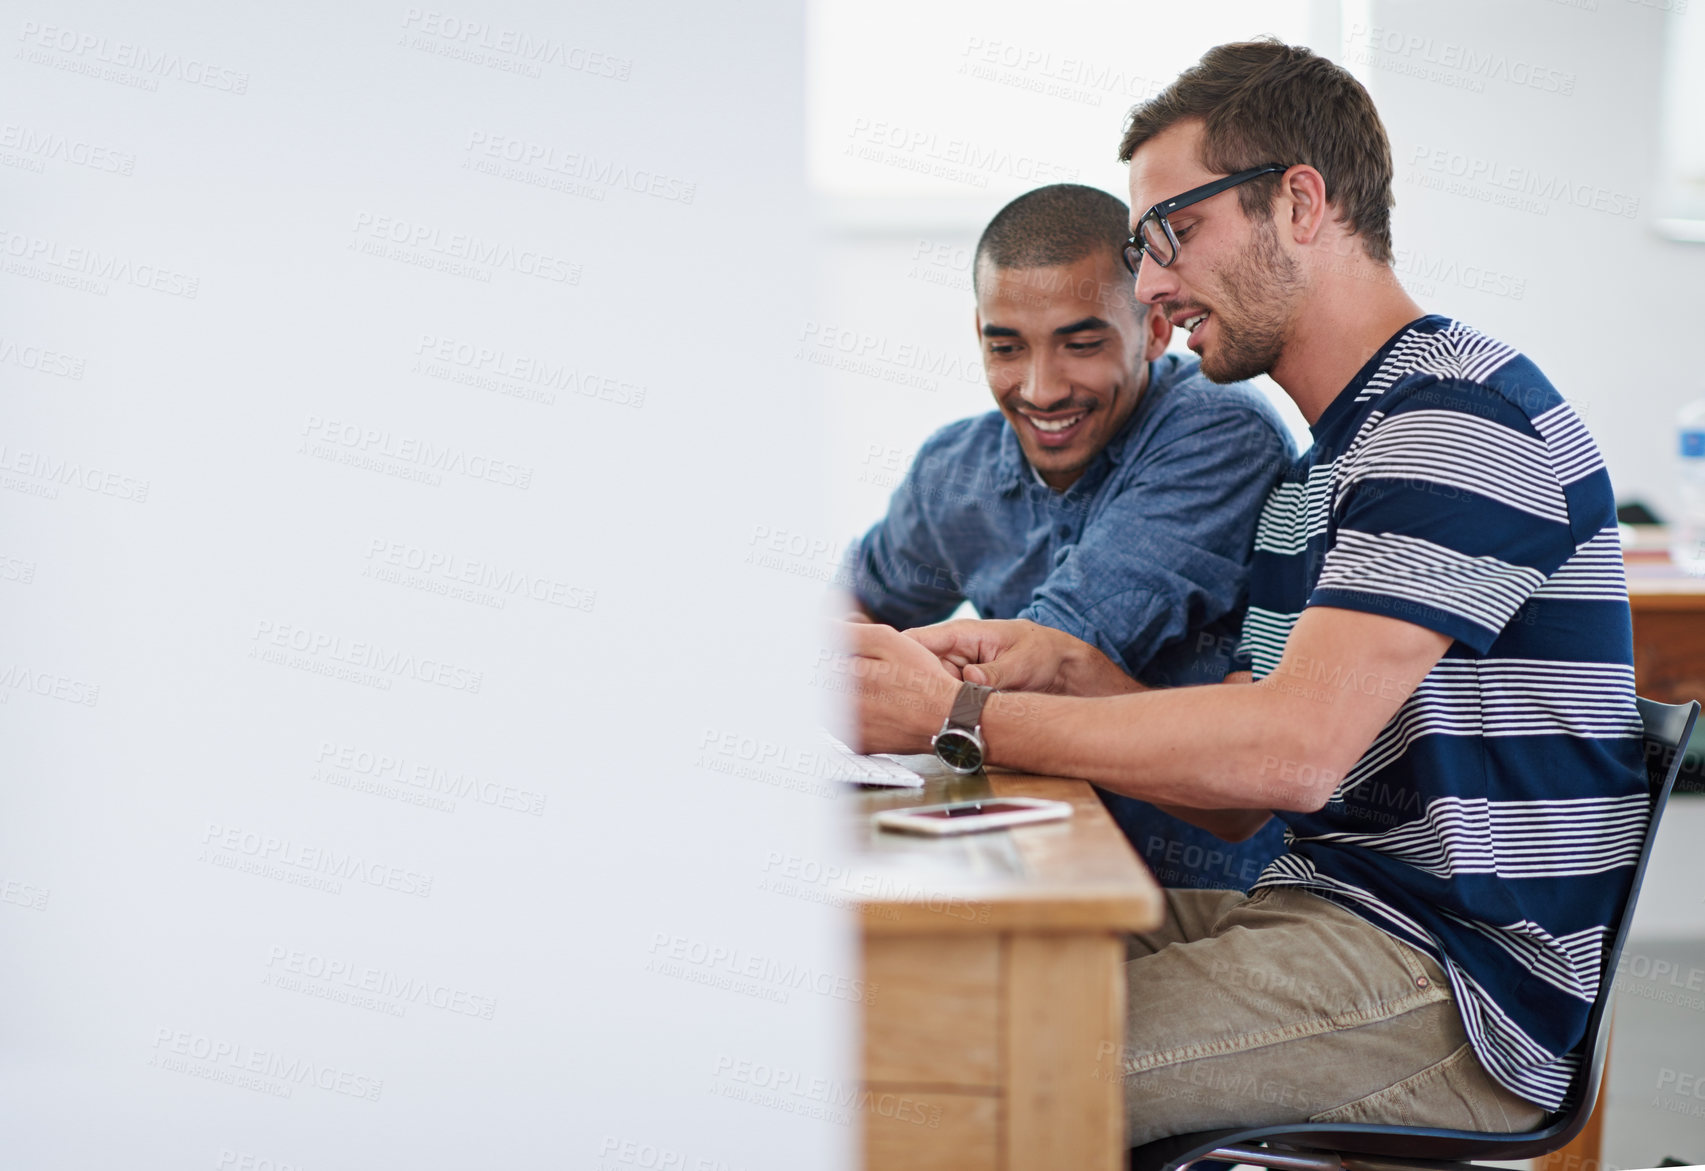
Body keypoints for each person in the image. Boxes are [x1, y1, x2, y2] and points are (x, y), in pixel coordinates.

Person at [843, 39, 1641, 1146]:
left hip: (1452, 982)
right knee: (907, 996)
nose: (1154, 285)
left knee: (961, 1074)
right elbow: (1243, 800)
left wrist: (955, 715)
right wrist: (1083, 674)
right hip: (1318, 910)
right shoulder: (1320, 470)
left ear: (1299, 203)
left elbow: (1291, 752)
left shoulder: (1452, 418)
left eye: (1171, 233)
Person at [843, 183, 1294, 891]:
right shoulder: (953, 468)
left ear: (1154, 330)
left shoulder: (1218, 430)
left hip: (1206, 897)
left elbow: (1050, 657)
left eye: (1080, 344)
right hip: (1029, 863)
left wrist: (900, 684)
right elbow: (853, 603)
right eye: (1006, 346)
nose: (1040, 387)